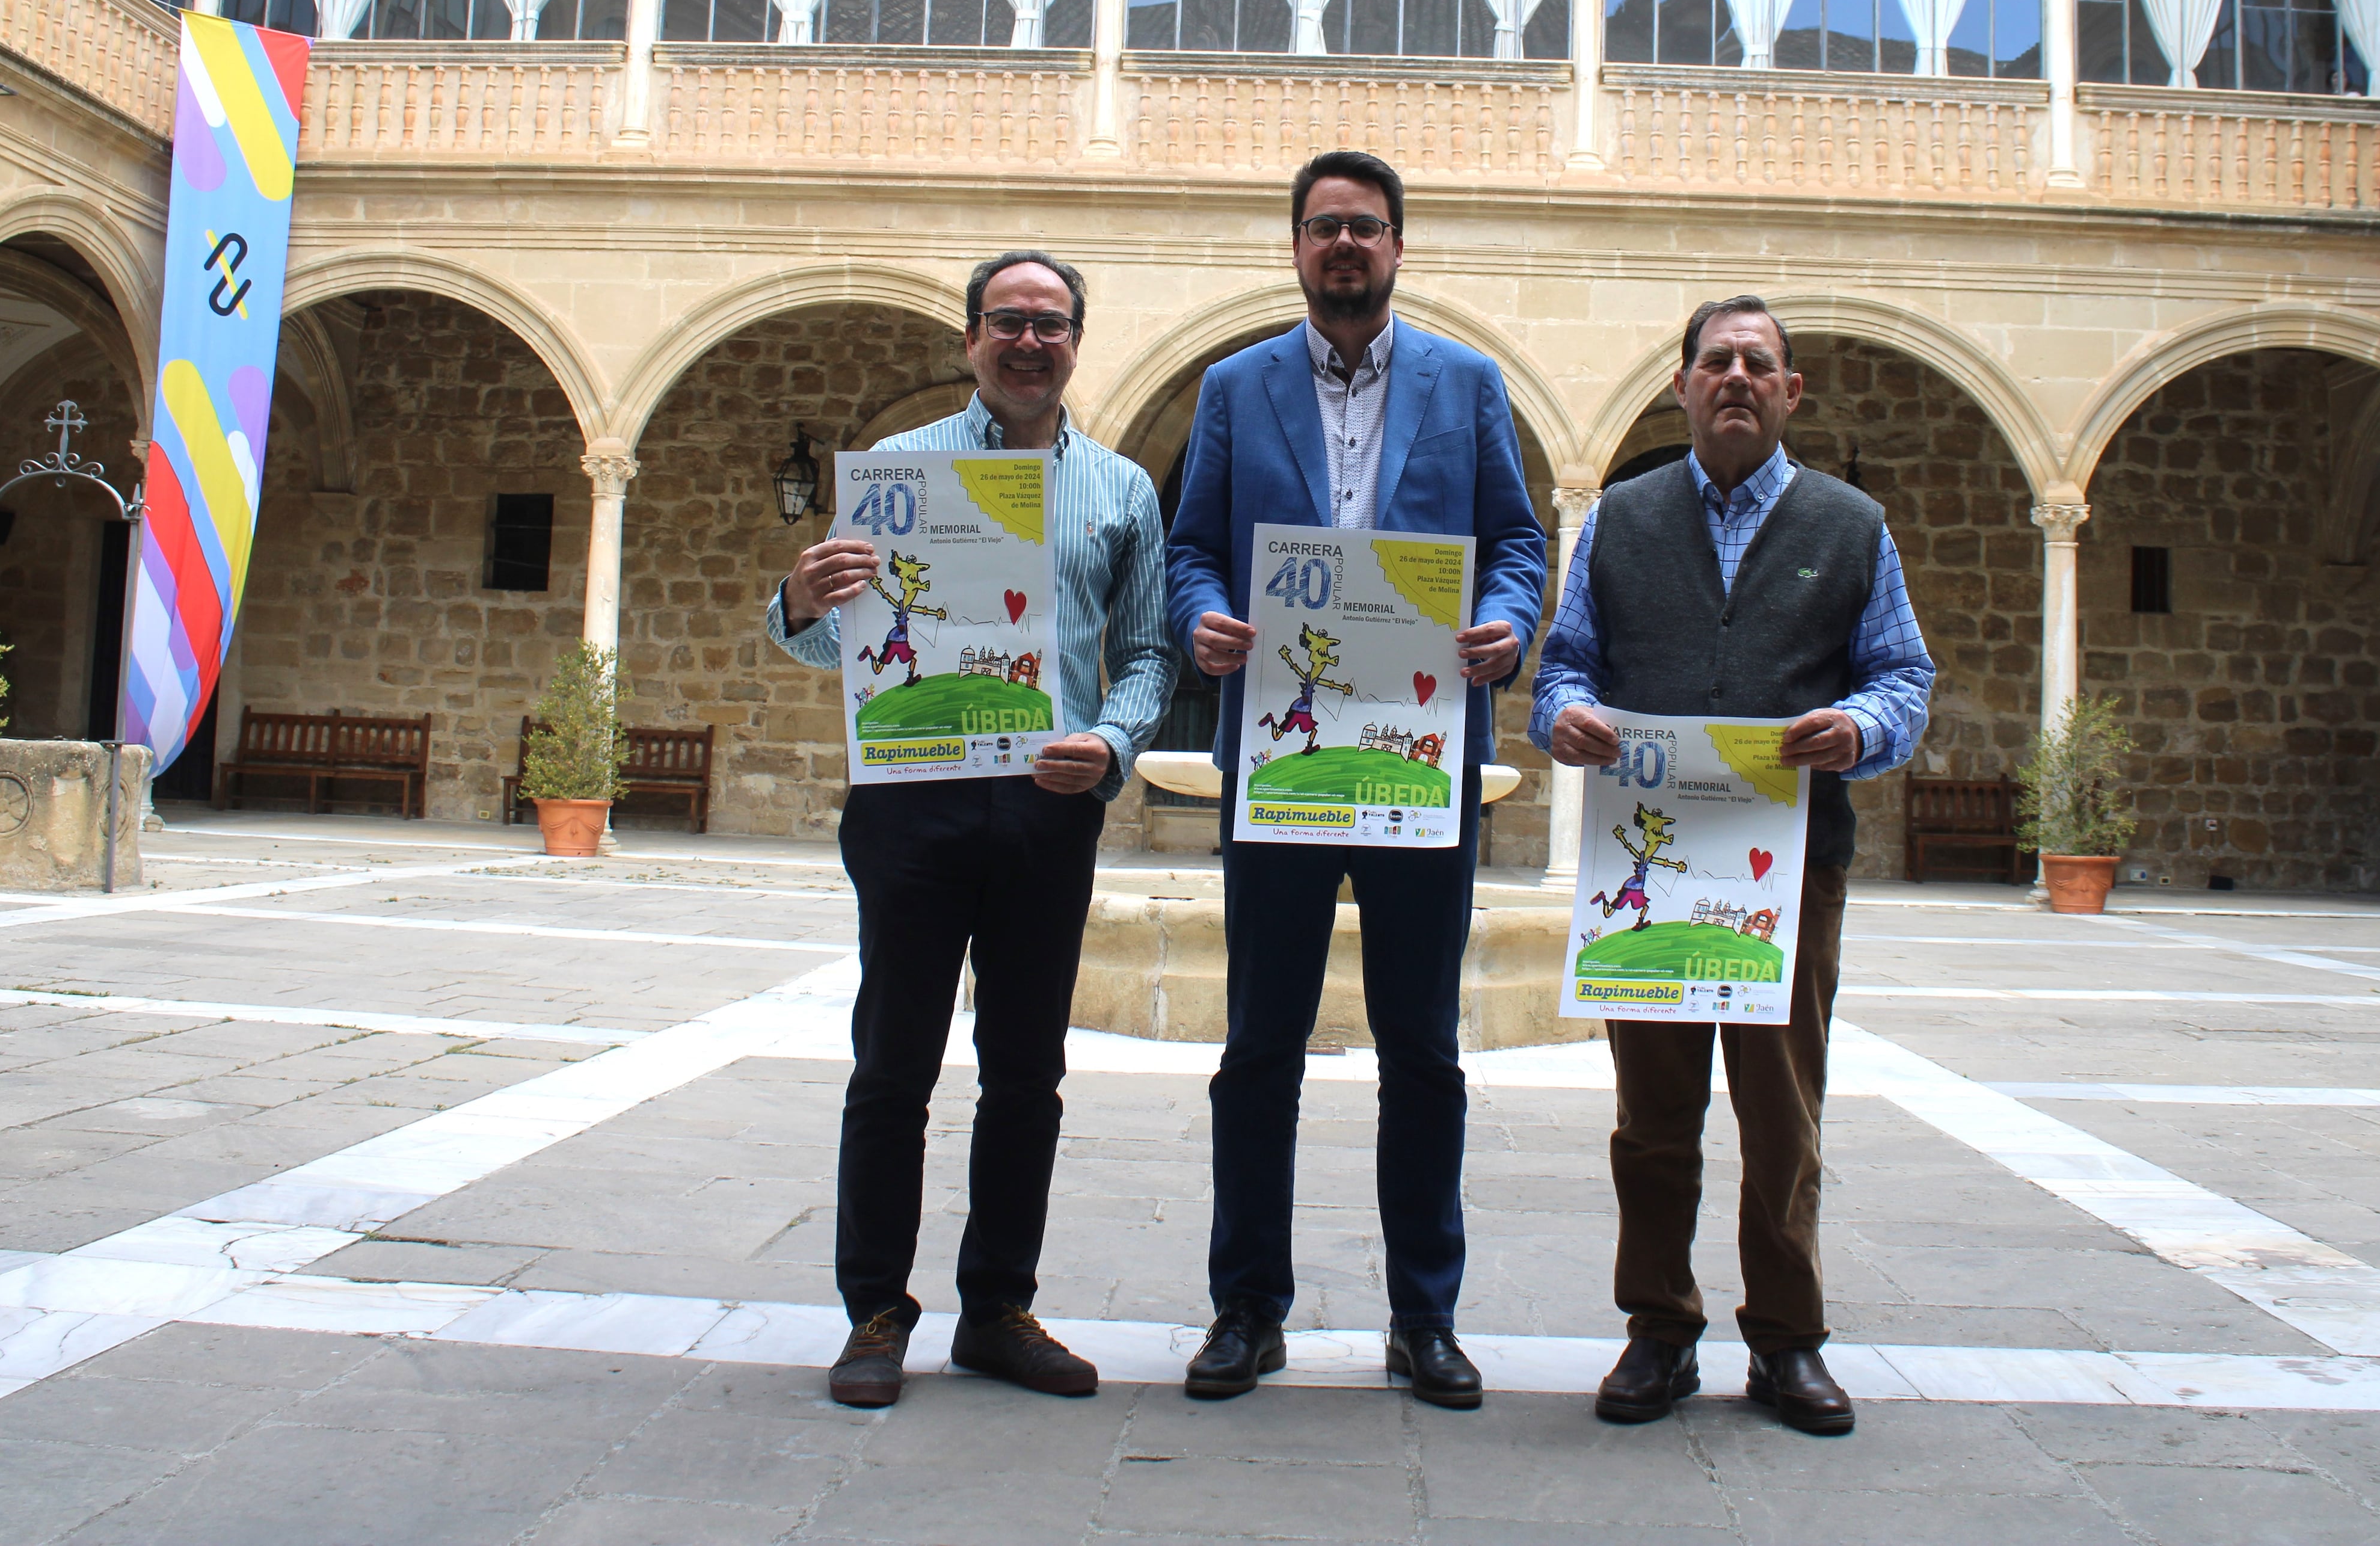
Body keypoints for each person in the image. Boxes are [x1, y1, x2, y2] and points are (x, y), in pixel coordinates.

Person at [1165, 149, 1549, 1408]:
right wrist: (1207, 617)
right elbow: (1190, 549)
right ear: (1294, 247)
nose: (1346, 246)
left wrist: (1504, 620)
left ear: (1398, 247)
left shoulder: (1469, 381)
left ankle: (1423, 1318)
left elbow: (1516, 540)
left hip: (1420, 758)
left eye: (1368, 228)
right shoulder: (1233, 386)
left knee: (1422, 1049)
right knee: (1258, 1045)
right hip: (1276, 758)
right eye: (1325, 226)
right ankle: (1245, 1309)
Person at [772, 249, 1172, 1409]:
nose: (1030, 340)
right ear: (971, 341)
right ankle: (876, 1314)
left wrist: (1113, 741)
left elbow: (1144, 653)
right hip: (913, 803)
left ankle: (997, 1307)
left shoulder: (1120, 491)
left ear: (1076, 343)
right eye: (1009, 320)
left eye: (1051, 323)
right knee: (892, 1061)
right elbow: (825, 646)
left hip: (1049, 803)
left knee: (1027, 1072)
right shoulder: (896, 472)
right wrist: (802, 598)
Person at [1532, 295, 1934, 1435]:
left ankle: (1788, 1338)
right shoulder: (1619, 516)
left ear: (1791, 392)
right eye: (1718, 361)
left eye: (1761, 363)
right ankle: (1657, 1330)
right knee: (1652, 1113)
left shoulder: (1852, 526)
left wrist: (1860, 728)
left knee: (1781, 1110)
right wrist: (1564, 718)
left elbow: (1904, 675)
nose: (1738, 379)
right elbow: (1565, 663)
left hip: (1788, 863)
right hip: (1648, 862)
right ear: (1682, 382)